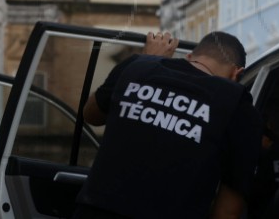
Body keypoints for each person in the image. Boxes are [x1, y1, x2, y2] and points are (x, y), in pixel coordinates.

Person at [74, 31, 263, 219]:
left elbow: (90, 114)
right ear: (236, 73)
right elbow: (227, 212)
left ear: (189, 57)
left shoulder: (137, 66)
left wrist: (148, 61)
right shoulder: (240, 108)